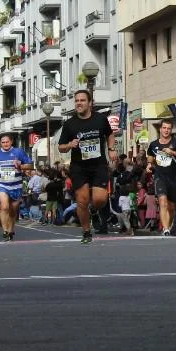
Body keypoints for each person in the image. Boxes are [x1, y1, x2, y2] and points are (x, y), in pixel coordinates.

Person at [58, 89, 117, 245]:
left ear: (90, 103)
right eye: (77, 100)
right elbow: (61, 147)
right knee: (82, 200)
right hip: (79, 167)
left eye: (82, 100)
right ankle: (86, 231)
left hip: (98, 165)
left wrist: (111, 149)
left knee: (100, 199)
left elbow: (110, 134)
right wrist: (69, 145)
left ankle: (93, 210)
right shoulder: (69, 124)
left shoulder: (100, 119)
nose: (79, 103)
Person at [146, 119, 176, 236]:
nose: (166, 130)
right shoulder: (154, 144)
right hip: (160, 177)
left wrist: (172, 152)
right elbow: (150, 155)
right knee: (162, 202)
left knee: (172, 207)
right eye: (164, 128)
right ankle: (166, 229)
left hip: (174, 178)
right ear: (160, 129)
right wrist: (149, 164)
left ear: (171, 130)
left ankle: (169, 224)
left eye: (168, 128)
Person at [0, 133, 33, 242]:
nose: (5, 144)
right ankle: (5, 231)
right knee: (4, 206)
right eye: (3, 142)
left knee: (13, 210)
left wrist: (20, 165)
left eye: (7, 142)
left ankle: (11, 229)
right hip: (1, 184)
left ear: (11, 142)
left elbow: (30, 165)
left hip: (16, 185)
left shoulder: (19, 152)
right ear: (0, 143)